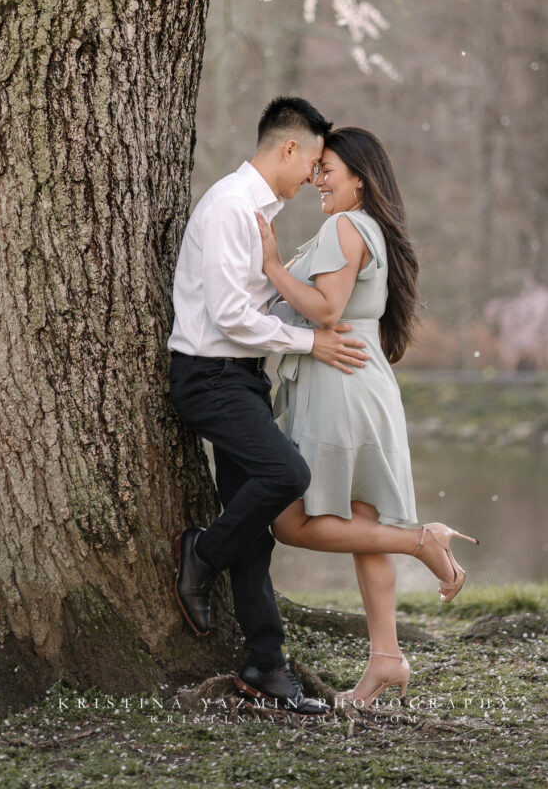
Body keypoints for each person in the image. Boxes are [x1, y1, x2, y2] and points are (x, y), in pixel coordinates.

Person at [255, 126, 478, 708]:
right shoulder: (367, 227)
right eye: (316, 167)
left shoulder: (344, 226)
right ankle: (386, 657)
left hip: (340, 387)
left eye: (326, 168)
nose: (316, 177)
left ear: (359, 176)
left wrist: (275, 265)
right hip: (357, 381)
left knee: (288, 523)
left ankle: (419, 540)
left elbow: (327, 308)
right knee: (360, 520)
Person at [167, 97, 370, 715]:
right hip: (210, 378)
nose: (315, 174)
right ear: (288, 148)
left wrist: (308, 307)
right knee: (287, 476)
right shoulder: (232, 206)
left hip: (241, 379)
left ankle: (267, 667)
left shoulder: (260, 212)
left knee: (255, 533)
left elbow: (255, 307)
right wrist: (311, 340)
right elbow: (230, 318)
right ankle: (201, 554)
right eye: (313, 159)